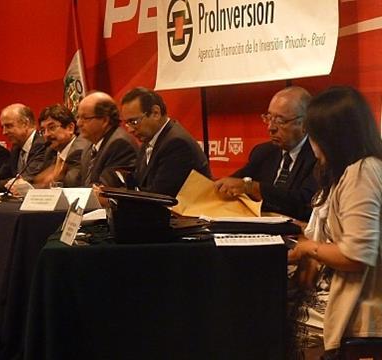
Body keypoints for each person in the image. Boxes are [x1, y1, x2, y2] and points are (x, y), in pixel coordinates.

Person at [288, 86, 382, 359]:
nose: (311, 145)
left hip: (356, 315)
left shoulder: (363, 173)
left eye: (313, 136)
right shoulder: (348, 172)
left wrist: (308, 249)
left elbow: (356, 254)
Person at [215, 86, 317, 221]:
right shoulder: (264, 152)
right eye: (269, 118)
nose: (271, 128)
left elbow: (305, 202)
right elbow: (236, 181)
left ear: (305, 123)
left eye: (280, 121)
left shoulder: (319, 155)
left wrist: (252, 188)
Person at [121, 87, 211, 197]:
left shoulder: (177, 144)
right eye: (126, 123)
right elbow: (140, 184)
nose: (129, 129)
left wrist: (114, 201)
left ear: (155, 113)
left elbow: (160, 197)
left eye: (134, 122)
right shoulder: (150, 139)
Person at [77, 91, 138, 187]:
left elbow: (105, 190)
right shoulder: (89, 147)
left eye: (85, 118)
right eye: (78, 117)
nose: (79, 123)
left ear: (105, 120)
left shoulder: (120, 145)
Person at [35, 103, 90, 187]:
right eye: (43, 130)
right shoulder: (50, 152)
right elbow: (40, 182)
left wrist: (53, 180)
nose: (46, 134)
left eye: (52, 128)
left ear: (70, 128)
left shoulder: (79, 150)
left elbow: (72, 185)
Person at [0, 103, 49, 190]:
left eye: (8, 126)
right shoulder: (16, 148)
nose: (4, 132)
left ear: (25, 124)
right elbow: (3, 176)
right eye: (2, 127)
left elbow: (27, 179)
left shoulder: (42, 145)